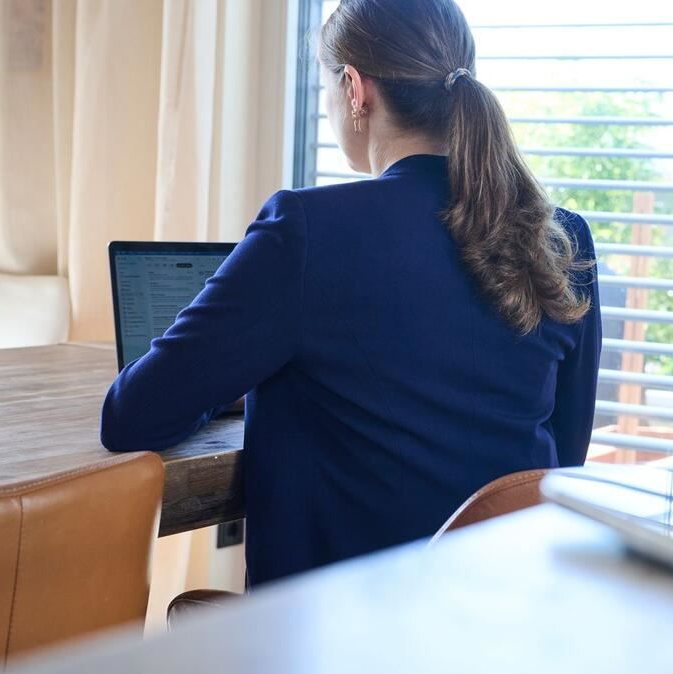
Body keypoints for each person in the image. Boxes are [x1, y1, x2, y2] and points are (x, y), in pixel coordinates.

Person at [101, 0, 601, 586]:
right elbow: (565, 455)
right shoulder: (562, 239)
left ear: (355, 89)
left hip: (333, 634)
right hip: (504, 623)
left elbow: (133, 415)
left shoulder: (308, 230)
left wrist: (232, 377)